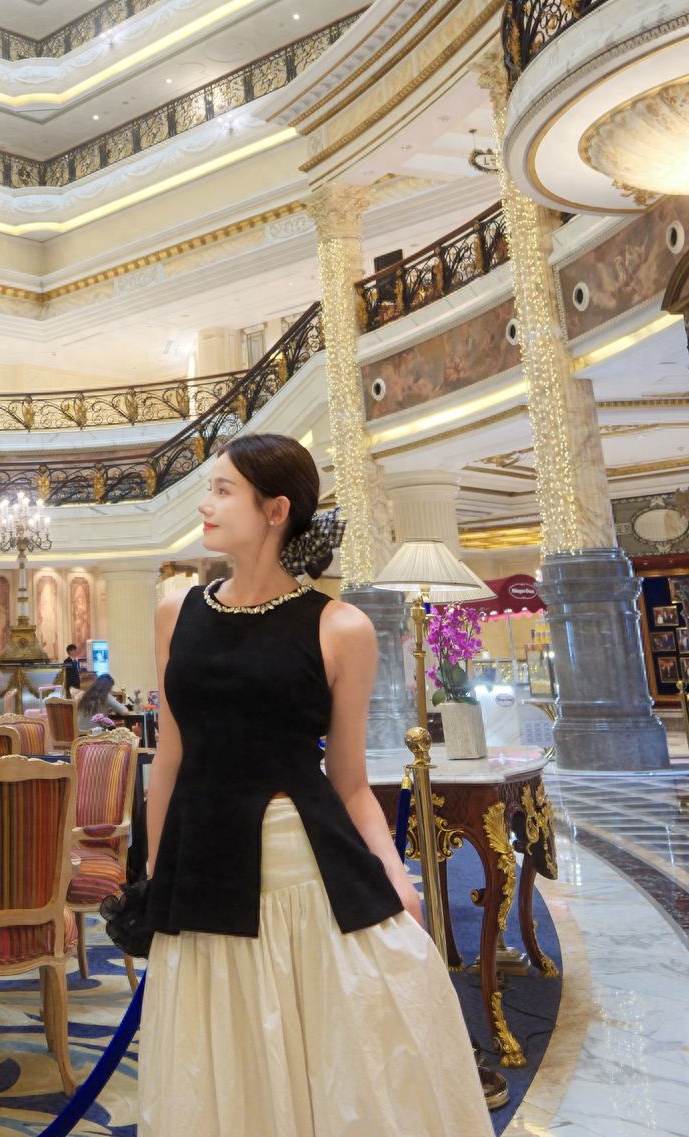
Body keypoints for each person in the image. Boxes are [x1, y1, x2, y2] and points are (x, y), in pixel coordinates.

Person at [140, 434, 492, 1137]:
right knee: (219, 1053)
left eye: (222, 490)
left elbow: (351, 781)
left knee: (325, 1049)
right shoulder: (175, 609)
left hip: (300, 871)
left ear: (276, 509)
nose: (204, 504)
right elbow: (169, 756)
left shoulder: (341, 625)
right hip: (200, 862)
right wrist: (154, 872)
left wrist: (394, 867)